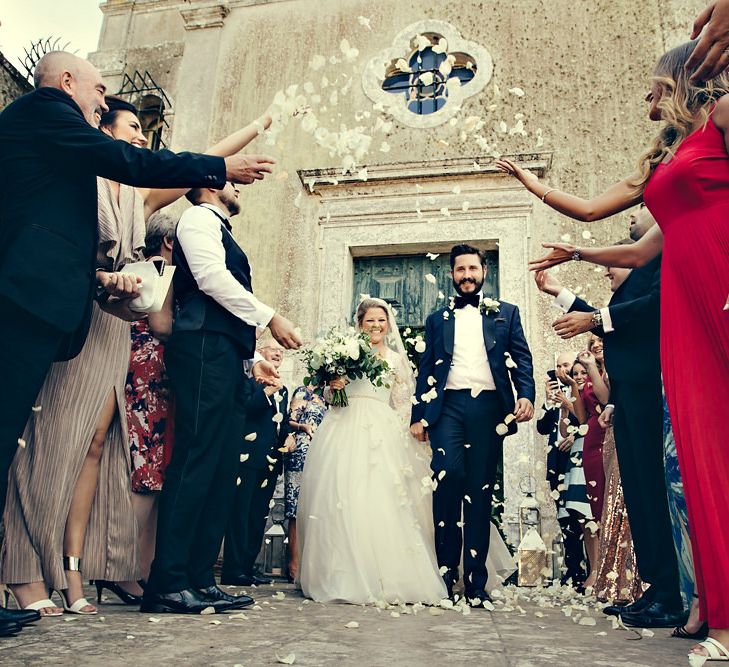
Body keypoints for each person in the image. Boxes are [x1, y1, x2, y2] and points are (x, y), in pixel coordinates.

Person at [1, 98, 278, 617]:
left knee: (105, 453)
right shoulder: (81, 177)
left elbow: (201, 157)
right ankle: (23, 569)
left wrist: (257, 125)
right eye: (129, 128)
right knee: (58, 445)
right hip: (77, 314)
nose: (138, 139)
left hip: (119, 325)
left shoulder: (137, 198)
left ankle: (95, 567)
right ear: (102, 131)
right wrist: (103, 276)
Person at [503, 41, 729, 659]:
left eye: (656, 86)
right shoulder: (662, 163)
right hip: (683, 297)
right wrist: (542, 199)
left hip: (723, 278)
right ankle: (716, 605)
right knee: (699, 443)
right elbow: (615, 233)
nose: (648, 100)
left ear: (688, 79)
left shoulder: (722, 119)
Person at [141, 182, 301, 614]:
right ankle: (168, 580)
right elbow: (211, 279)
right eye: (229, 180)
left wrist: (251, 359)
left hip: (226, 354)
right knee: (196, 459)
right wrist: (270, 318)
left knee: (221, 465)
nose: (236, 187)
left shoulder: (220, 226)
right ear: (211, 186)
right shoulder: (196, 218)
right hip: (202, 347)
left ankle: (198, 578)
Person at [533, 209, 683, 627]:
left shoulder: (655, 261)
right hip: (630, 394)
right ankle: (657, 588)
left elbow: (650, 308)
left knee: (652, 491)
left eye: (640, 207)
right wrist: (559, 293)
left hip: (649, 389)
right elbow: (609, 319)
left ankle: (670, 593)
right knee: (638, 493)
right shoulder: (641, 264)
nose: (635, 212)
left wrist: (595, 317)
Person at [297, 298, 447, 605]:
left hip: (383, 428)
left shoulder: (395, 359)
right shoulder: (343, 353)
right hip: (342, 425)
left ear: (388, 324)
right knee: (340, 495)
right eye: (370, 321)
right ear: (360, 324)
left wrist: (405, 431)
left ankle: (384, 574)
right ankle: (340, 574)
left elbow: (404, 401)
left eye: (381, 320)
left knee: (382, 496)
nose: (376, 326)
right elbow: (329, 395)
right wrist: (334, 386)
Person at [410, 244, 535, 606]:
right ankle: (445, 576)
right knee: (446, 480)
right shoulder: (437, 319)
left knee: (480, 492)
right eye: (460, 269)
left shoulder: (506, 313)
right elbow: (426, 368)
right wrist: (418, 416)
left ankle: (477, 583)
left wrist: (526, 394)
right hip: (447, 406)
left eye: (472, 269)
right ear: (452, 274)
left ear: (484, 271)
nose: (466, 275)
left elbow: (521, 359)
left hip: (488, 410)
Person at [125, 212, 178, 588]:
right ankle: (128, 566)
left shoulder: (140, 267)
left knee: (152, 471)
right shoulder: (159, 269)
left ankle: (141, 570)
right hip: (151, 375)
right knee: (148, 467)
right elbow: (161, 325)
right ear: (169, 242)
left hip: (144, 371)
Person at [222, 338, 290, 587]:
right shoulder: (250, 381)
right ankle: (233, 569)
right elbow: (244, 408)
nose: (278, 354)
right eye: (274, 350)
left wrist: (289, 436)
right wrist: (267, 392)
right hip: (247, 457)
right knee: (240, 514)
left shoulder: (282, 387)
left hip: (271, 459)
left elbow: (281, 420)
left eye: (281, 352)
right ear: (260, 353)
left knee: (258, 515)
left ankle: (249, 567)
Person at [536, 351, 586, 588]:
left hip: (576, 460)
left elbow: (586, 420)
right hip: (556, 463)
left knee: (581, 516)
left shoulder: (581, 392)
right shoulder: (554, 397)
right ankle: (573, 569)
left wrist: (575, 433)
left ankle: (586, 570)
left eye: (565, 365)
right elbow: (542, 428)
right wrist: (547, 402)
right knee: (564, 517)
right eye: (558, 366)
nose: (561, 371)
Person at [282, 385, 328, 582]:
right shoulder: (305, 392)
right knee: (296, 508)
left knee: (317, 508)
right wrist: (304, 427)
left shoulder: (333, 395)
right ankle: (294, 563)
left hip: (323, 454)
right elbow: (290, 420)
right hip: (301, 451)